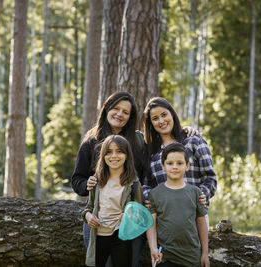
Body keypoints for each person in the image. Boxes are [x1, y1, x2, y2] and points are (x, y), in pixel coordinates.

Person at [72, 92, 197, 266]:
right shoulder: (91, 141)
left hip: (132, 218)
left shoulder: (137, 140)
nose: (119, 114)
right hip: (100, 220)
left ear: (130, 117)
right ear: (107, 109)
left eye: (125, 112)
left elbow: (154, 162)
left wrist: (183, 131)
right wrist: (88, 184)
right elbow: (77, 181)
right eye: (116, 109)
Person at [142, 97, 217, 226]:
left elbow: (210, 177)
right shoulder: (151, 152)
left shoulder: (194, 141)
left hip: (195, 215)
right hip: (165, 218)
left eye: (164, 115)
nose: (161, 121)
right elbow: (147, 184)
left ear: (172, 114)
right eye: (155, 118)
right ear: (151, 124)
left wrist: (202, 195)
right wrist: (148, 197)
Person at [82, 135, 144, 267]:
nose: (114, 156)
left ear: (127, 155)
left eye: (119, 151)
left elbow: (138, 213)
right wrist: (89, 217)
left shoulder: (134, 183)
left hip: (121, 236)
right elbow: (88, 208)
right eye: (109, 152)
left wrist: (129, 217)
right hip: (98, 235)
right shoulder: (97, 181)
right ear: (103, 156)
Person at [146, 142, 209, 267]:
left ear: (187, 166)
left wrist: (205, 253)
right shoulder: (155, 194)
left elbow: (201, 223)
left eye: (179, 163)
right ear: (163, 166)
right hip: (165, 257)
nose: (175, 167)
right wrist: (153, 248)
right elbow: (151, 224)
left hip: (192, 257)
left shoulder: (195, 192)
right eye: (170, 163)